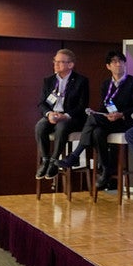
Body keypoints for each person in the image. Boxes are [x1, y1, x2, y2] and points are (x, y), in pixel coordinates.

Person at [55, 51, 133, 190]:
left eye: (121, 61)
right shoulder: (106, 83)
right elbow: (104, 106)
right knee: (97, 133)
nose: (118, 64)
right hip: (110, 121)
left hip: (126, 122)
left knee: (92, 119)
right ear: (108, 66)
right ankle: (106, 170)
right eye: (114, 62)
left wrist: (121, 114)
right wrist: (106, 114)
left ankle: (76, 155)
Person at [34, 49, 89, 180]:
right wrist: (48, 114)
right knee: (40, 126)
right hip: (53, 115)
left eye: (60, 62)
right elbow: (42, 103)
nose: (56, 64)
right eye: (55, 61)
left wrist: (66, 116)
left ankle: (54, 161)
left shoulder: (81, 81)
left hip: (71, 117)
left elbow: (82, 106)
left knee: (61, 127)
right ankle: (45, 159)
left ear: (70, 65)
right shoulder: (49, 80)